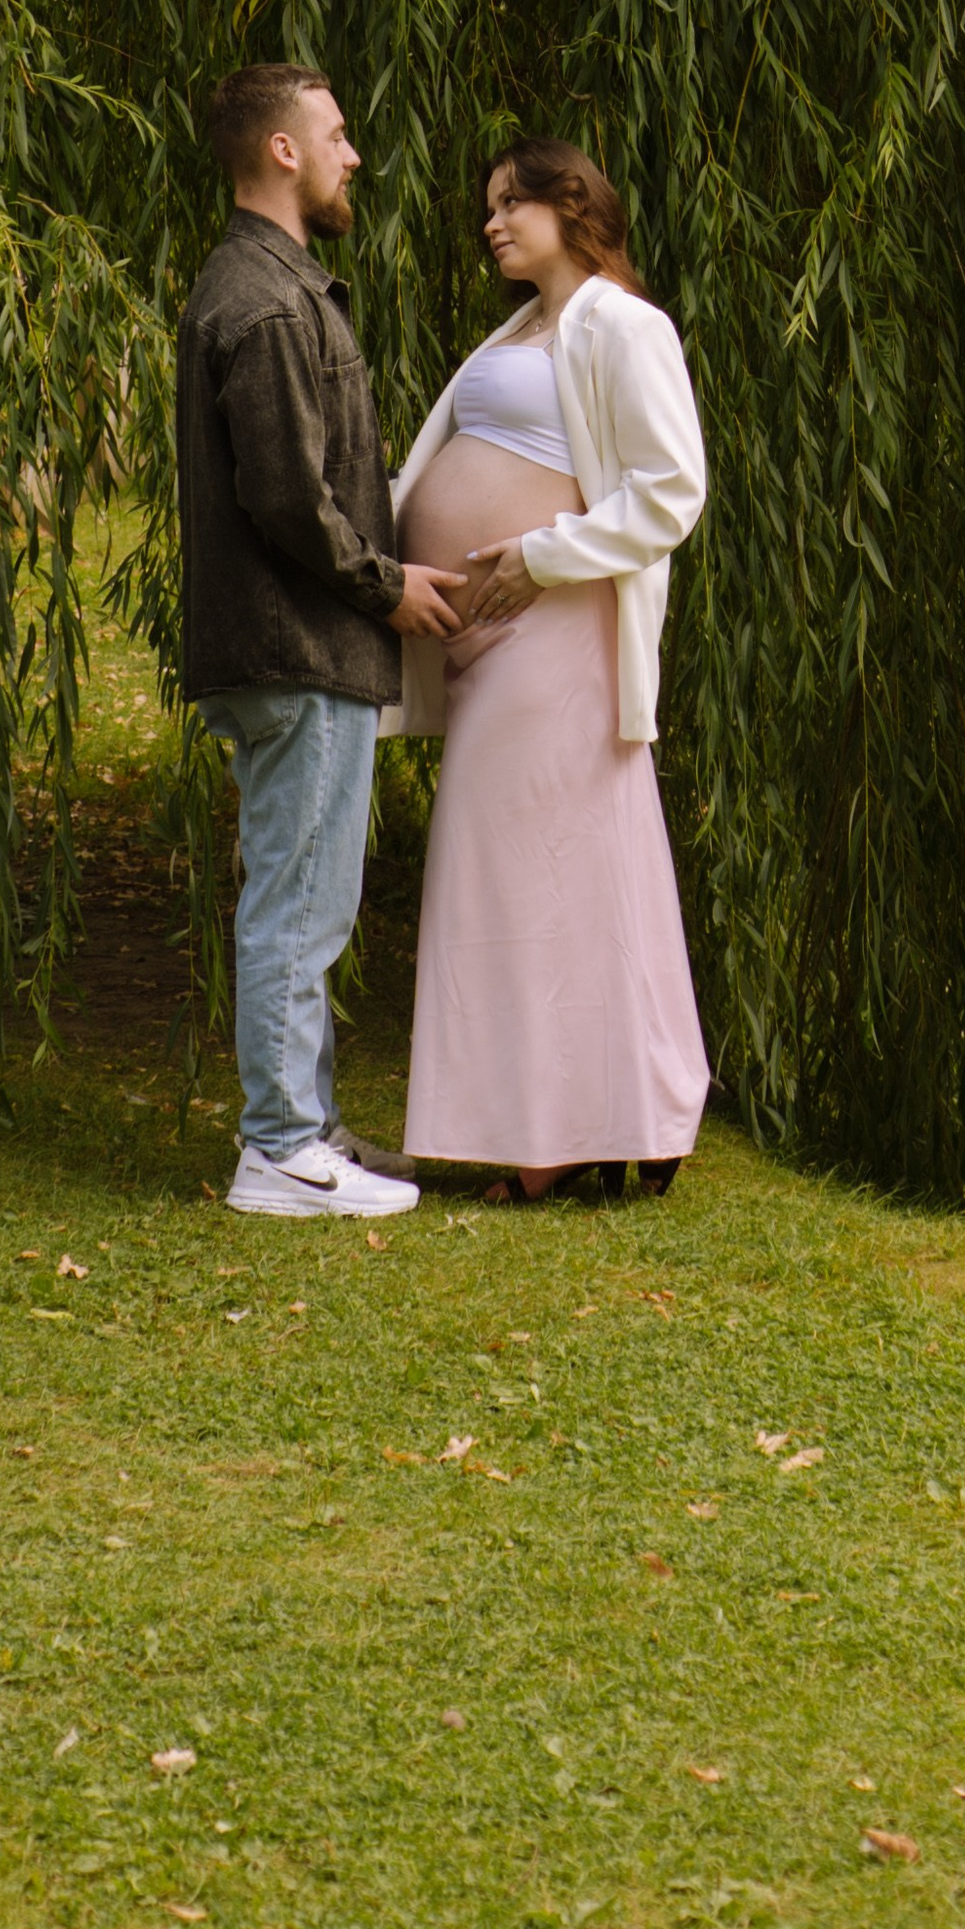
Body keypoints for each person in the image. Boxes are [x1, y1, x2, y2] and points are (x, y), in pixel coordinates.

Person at [393, 137, 710, 1199]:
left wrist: (538, 556)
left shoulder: (625, 326)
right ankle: (580, 1122)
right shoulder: (523, 327)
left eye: (511, 202)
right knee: (531, 873)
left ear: (571, 207)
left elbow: (670, 491)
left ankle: (558, 1139)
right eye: (486, 204)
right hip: (490, 638)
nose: (490, 221)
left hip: (558, 630)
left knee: (535, 874)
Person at [177, 62, 466, 1216]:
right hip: (296, 645)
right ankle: (280, 1150)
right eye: (337, 135)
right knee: (299, 901)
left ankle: (314, 1131)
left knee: (308, 893)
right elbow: (290, 494)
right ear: (283, 152)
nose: (354, 155)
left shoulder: (271, 287)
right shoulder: (266, 303)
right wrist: (384, 585)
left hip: (293, 648)